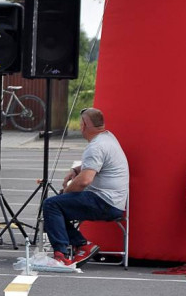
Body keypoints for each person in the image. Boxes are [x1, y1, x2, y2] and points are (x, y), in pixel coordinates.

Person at [43, 107, 130, 266]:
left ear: (83, 125)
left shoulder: (95, 146)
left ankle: (65, 252)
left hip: (104, 202)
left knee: (52, 204)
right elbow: (94, 164)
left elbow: (85, 181)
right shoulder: (108, 138)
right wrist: (75, 170)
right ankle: (81, 245)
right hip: (113, 201)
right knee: (57, 207)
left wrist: (66, 193)